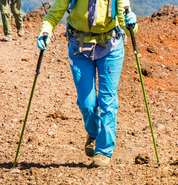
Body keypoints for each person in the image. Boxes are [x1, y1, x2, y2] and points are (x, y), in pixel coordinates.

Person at [37, 0, 138, 167]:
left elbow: (125, 19)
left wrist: (131, 25)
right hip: (79, 46)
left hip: (111, 46)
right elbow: (54, 13)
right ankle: (94, 133)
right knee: (87, 103)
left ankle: (104, 152)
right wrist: (45, 31)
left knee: (108, 100)